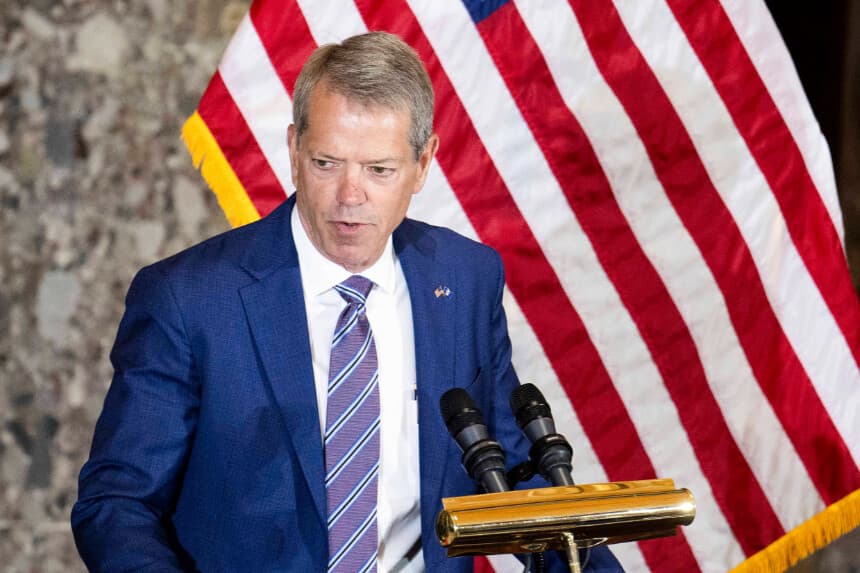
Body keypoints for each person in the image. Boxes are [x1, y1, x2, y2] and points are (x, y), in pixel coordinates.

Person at [71, 32, 623, 572]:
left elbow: (518, 477)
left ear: (423, 164)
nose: (350, 196)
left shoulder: (464, 280)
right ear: (294, 150)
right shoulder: (190, 299)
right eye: (327, 163)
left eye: (379, 170)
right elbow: (118, 504)